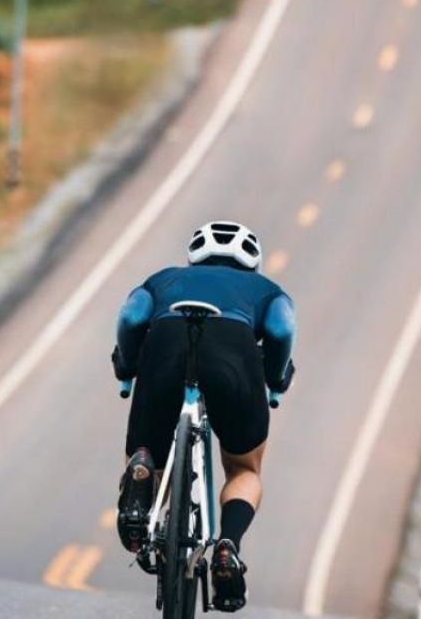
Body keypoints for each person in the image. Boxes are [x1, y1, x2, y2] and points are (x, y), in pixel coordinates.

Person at [111, 220, 295, 612]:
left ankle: (143, 479)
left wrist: (126, 366)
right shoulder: (266, 289)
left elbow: (130, 318)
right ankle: (228, 546)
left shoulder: (163, 279)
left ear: (194, 258)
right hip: (234, 355)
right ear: (253, 262)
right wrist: (276, 378)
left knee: (148, 454)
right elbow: (281, 329)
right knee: (244, 468)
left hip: (165, 346)